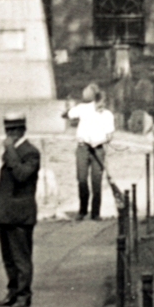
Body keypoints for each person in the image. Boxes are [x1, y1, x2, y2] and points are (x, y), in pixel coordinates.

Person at [0, 112, 41, 307]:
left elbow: (21, 175)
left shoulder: (31, 152)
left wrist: (10, 150)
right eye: (7, 130)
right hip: (6, 214)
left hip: (20, 215)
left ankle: (23, 295)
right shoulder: (12, 152)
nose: (9, 134)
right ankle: (12, 292)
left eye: (13, 130)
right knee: (9, 258)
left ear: (22, 130)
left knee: (21, 258)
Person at [65, 84, 114, 220]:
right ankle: (82, 210)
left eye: (104, 105)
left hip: (98, 150)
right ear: (95, 101)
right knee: (81, 179)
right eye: (99, 104)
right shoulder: (83, 109)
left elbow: (110, 136)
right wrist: (67, 112)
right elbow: (69, 114)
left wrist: (98, 141)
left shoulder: (108, 115)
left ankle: (95, 213)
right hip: (83, 149)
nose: (101, 108)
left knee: (96, 182)